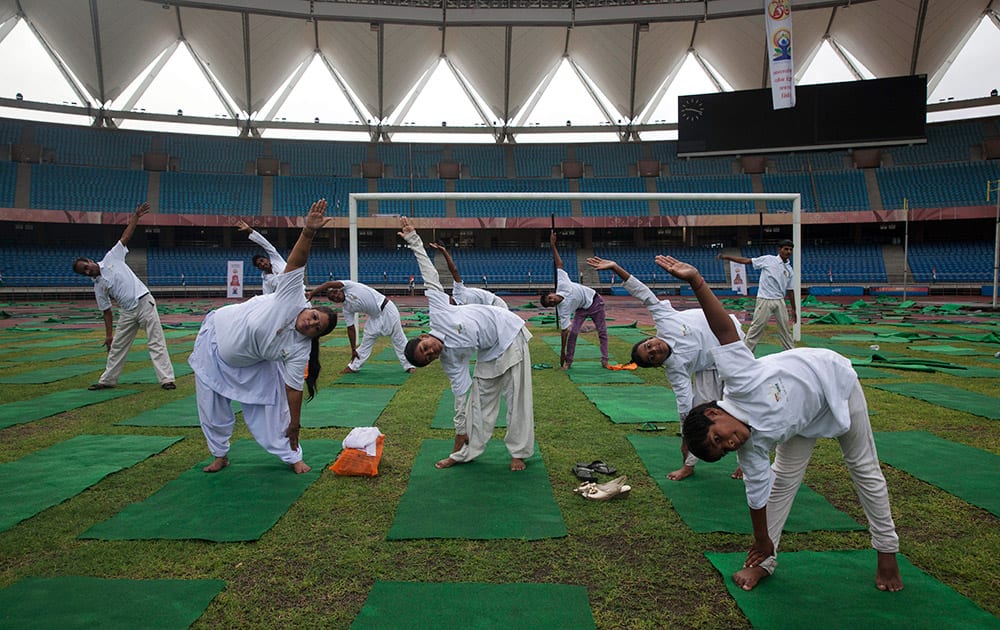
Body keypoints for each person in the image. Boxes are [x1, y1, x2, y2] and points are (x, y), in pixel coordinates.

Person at [656, 253, 903, 594]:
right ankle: (764, 562)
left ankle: (887, 552)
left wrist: (697, 281)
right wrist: (761, 541)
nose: (729, 445)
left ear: (714, 413)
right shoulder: (752, 449)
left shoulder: (740, 381)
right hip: (800, 422)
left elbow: (725, 329)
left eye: (718, 438)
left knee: (863, 468)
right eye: (723, 451)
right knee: (781, 481)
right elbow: (757, 498)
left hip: (836, 381)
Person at [188, 199, 338, 474]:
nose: (311, 324)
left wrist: (296, 423)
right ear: (311, 308)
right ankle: (219, 454)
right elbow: (297, 260)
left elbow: (293, 390)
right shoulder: (291, 295)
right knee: (211, 406)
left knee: (274, 406)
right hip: (214, 342)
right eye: (315, 317)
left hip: (253, 362)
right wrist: (308, 232)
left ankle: (292, 456)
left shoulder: (299, 348)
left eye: (317, 328)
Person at [587, 256, 744, 481]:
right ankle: (689, 465)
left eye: (649, 345)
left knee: (741, 408)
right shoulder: (676, 368)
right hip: (710, 367)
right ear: (657, 364)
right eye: (652, 356)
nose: (654, 349)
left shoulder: (664, 320)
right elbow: (684, 406)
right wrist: (685, 438)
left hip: (734, 343)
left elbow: (643, 294)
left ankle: (745, 463)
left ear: (651, 337)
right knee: (701, 417)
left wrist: (616, 268)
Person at [399, 216, 535, 472]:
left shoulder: (438, 312)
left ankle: (518, 453)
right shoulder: (450, 361)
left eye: (424, 348)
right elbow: (461, 396)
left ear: (423, 337)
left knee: (516, 398)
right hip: (488, 352)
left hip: (508, 332)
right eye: (428, 358)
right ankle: (466, 451)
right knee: (478, 404)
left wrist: (414, 240)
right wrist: (459, 432)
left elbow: (429, 275)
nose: (431, 352)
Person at [72, 201, 175, 391]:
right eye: (83, 272)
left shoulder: (112, 257)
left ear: (90, 260)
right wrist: (109, 335)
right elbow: (107, 311)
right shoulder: (98, 286)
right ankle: (107, 380)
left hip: (144, 302)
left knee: (156, 342)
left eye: (86, 266)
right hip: (127, 312)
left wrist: (135, 216)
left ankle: (167, 379)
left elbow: (125, 236)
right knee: (118, 347)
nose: (87, 270)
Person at [305, 279, 415, 375]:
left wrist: (313, 293)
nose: (335, 296)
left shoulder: (349, 286)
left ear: (339, 289)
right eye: (333, 298)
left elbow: (329, 284)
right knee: (367, 338)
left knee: (398, 338)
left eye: (335, 292)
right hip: (374, 316)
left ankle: (409, 365)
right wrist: (353, 349)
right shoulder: (346, 309)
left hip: (387, 308)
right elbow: (351, 328)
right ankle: (354, 366)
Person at [539, 231, 609, 369]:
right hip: (581, 309)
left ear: (551, 293)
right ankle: (569, 362)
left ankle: (605, 360)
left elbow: (559, 263)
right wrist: (562, 352)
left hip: (595, 301)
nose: (552, 301)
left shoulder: (562, 283)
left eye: (550, 298)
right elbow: (564, 331)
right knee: (574, 332)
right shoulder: (562, 309)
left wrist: (552, 245)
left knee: (602, 331)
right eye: (550, 304)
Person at [716, 240, 797, 352]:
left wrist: (794, 309)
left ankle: (791, 353)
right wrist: (727, 257)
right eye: (786, 249)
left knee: (786, 331)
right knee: (756, 329)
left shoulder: (789, 269)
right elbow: (746, 261)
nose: (788, 251)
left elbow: (790, 290)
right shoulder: (768, 260)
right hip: (765, 299)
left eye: (790, 249)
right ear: (780, 250)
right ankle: (745, 354)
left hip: (780, 301)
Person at [428, 241, 509, 308]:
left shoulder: (458, 292)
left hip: (494, 303)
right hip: (487, 309)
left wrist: (444, 251)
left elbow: (454, 270)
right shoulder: (459, 310)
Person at [236, 220, 286, 295]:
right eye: (259, 264)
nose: (262, 264)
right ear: (259, 268)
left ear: (268, 260)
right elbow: (267, 297)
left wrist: (250, 230)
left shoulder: (277, 260)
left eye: (262, 260)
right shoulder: (266, 281)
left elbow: (266, 245)